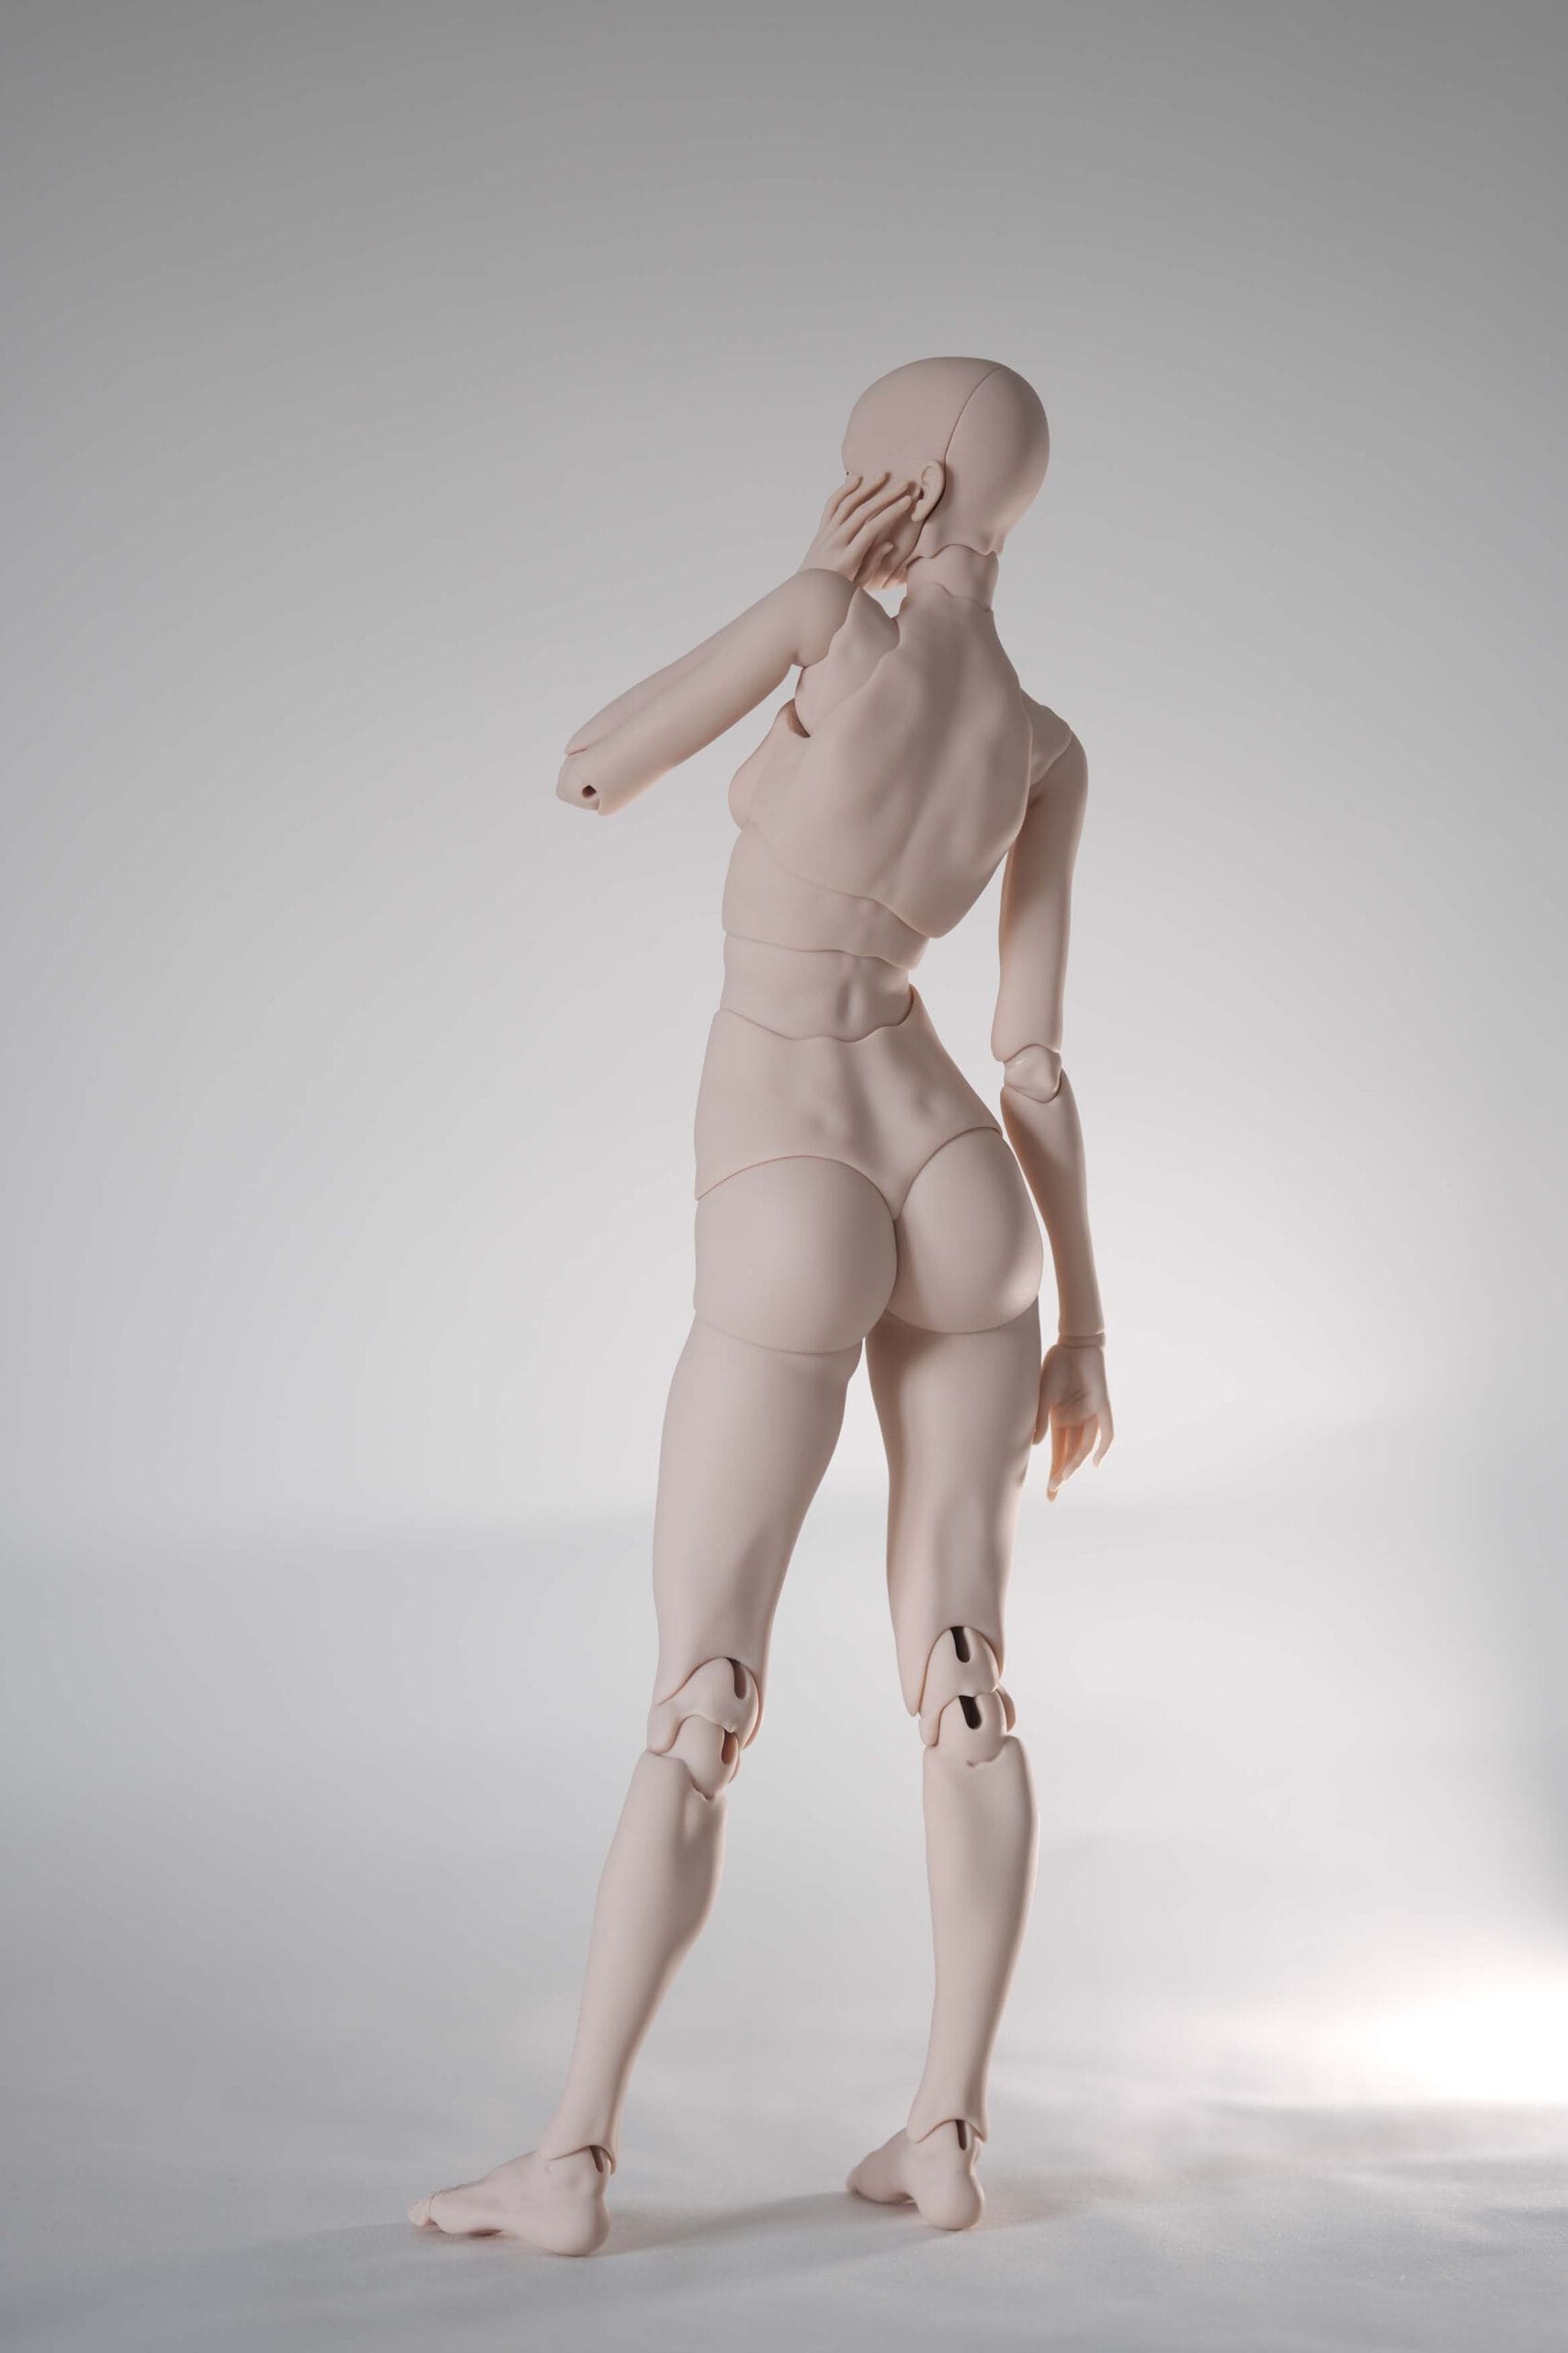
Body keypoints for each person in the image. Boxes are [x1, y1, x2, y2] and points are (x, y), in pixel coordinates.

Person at [411, 358, 1114, 2254]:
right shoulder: (1043, 742)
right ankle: (944, 2131)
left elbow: (588, 767)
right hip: (959, 1171)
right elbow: (1032, 1061)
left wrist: (801, 583)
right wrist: (1085, 1329)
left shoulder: (824, 619)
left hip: (792, 1151)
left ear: (894, 480)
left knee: (701, 1692)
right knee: (962, 1672)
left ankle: (569, 2159)